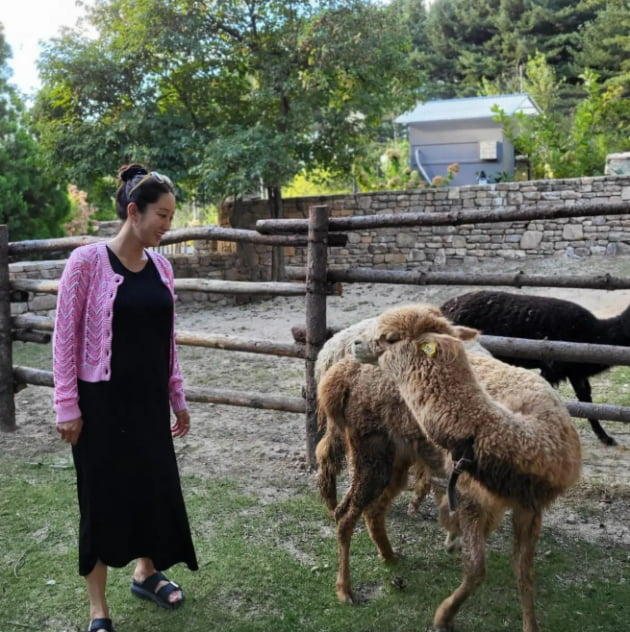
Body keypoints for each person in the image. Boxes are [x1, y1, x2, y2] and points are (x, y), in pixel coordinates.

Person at [53, 164, 198, 632]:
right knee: (100, 499)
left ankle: (146, 572)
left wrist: (177, 396)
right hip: (100, 406)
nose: (167, 225)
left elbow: (167, 339)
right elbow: (64, 339)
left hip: (148, 404)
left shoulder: (163, 267)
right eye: (161, 215)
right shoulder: (86, 263)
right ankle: (99, 609)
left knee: (151, 490)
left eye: (171, 217)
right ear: (133, 212)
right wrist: (66, 406)